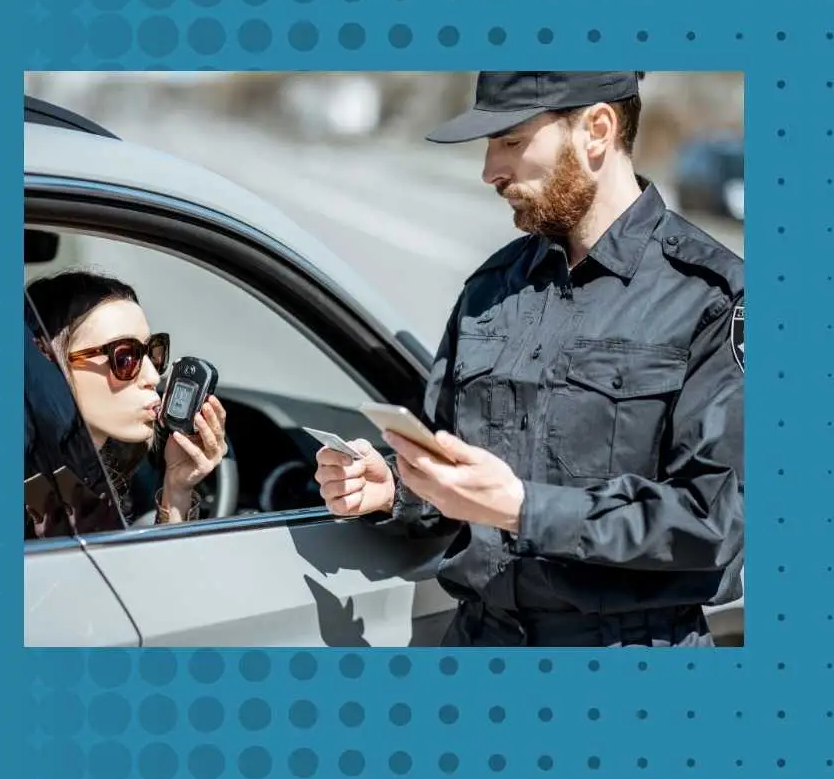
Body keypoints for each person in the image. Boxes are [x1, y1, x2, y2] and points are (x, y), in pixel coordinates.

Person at [315, 71, 744, 648]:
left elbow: (714, 523)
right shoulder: (490, 289)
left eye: (511, 141)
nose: (490, 169)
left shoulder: (712, 296)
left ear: (596, 129)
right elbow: (457, 465)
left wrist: (525, 509)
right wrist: (397, 487)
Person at [25, 270, 227, 534]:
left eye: (152, 352)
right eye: (125, 357)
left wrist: (177, 489)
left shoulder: (102, 475)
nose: (154, 376)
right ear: (47, 359)